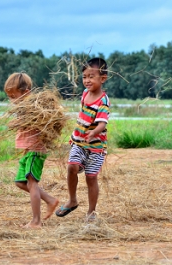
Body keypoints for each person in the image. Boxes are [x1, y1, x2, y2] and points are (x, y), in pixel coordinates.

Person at [56, 57, 110, 221]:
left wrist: (94, 132)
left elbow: (102, 122)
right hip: (78, 142)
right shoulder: (85, 94)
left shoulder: (103, 100)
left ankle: (91, 212)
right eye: (85, 76)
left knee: (91, 177)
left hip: (96, 147)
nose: (87, 80)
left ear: (103, 78)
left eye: (91, 76)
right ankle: (72, 200)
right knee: (72, 167)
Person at [4, 72, 59, 229]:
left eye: (13, 96)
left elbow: (30, 123)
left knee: (32, 183)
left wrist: (16, 123)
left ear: (26, 92)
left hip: (35, 151)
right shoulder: (24, 108)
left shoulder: (33, 108)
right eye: (9, 97)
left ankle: (36, 221)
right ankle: (49, 200)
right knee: (21, 183)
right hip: (28, 152)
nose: (11, 100)